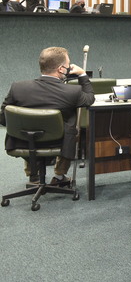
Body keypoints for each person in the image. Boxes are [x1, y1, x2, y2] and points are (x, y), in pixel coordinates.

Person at [1, 46, 95, 185]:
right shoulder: (71, 92)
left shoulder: (18, 87)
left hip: (23, 141)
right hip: (58, 142)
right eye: (68, 65)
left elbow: (3, 118)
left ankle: (33, 175)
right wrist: (82, 74)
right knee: (71, 120)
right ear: (61, 69)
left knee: (27, 123)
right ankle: (59, 176)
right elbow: (89, 98)